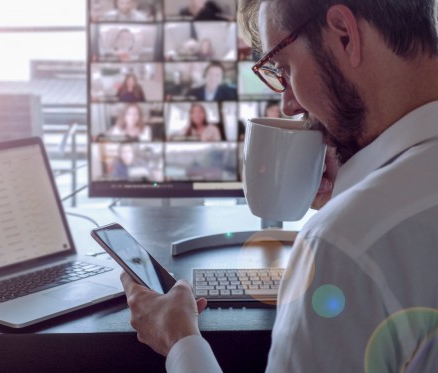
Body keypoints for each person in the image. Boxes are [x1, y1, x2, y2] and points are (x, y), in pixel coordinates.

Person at [120, 0, 438, 372]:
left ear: (344, 35)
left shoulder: (343, 248)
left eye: (285, 70)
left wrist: (179, 340)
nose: (288, 106)